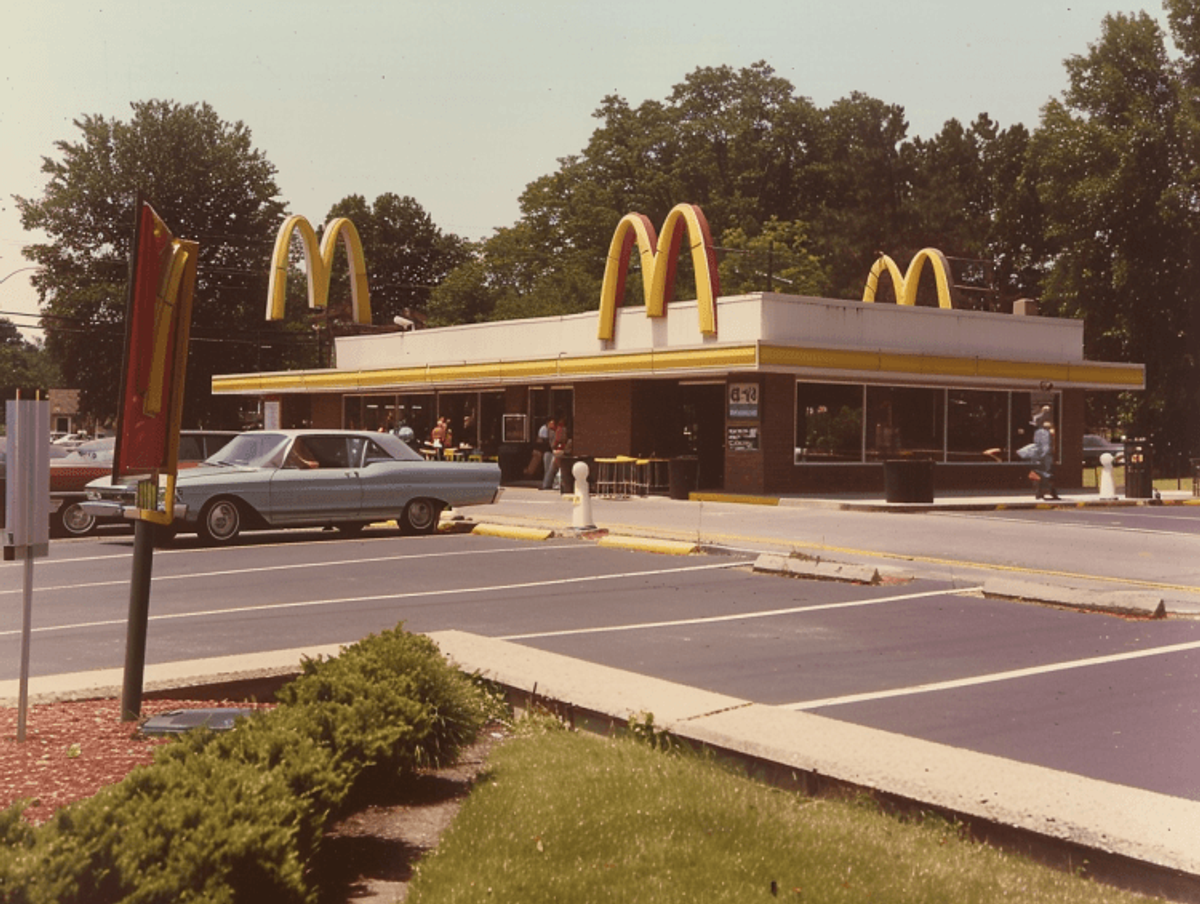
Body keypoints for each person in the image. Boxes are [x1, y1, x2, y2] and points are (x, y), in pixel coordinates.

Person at [1032, 419, 1060, 500]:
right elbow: (1048, 447)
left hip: (1040, 455)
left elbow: (1036, 443)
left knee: (1040, 474)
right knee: (1049, 475)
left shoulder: (1037, 433)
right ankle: (1051, 492)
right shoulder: (1048, 434)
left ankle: (1039, 493)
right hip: (1047, 456)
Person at [541, 414, 569, 490]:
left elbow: (557, 441)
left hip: (557, 451)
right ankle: (548, 484)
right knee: (550, 468)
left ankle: (548, 484)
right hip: (554, 451)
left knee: (552, 468)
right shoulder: (551, 430)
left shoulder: (559, 429)